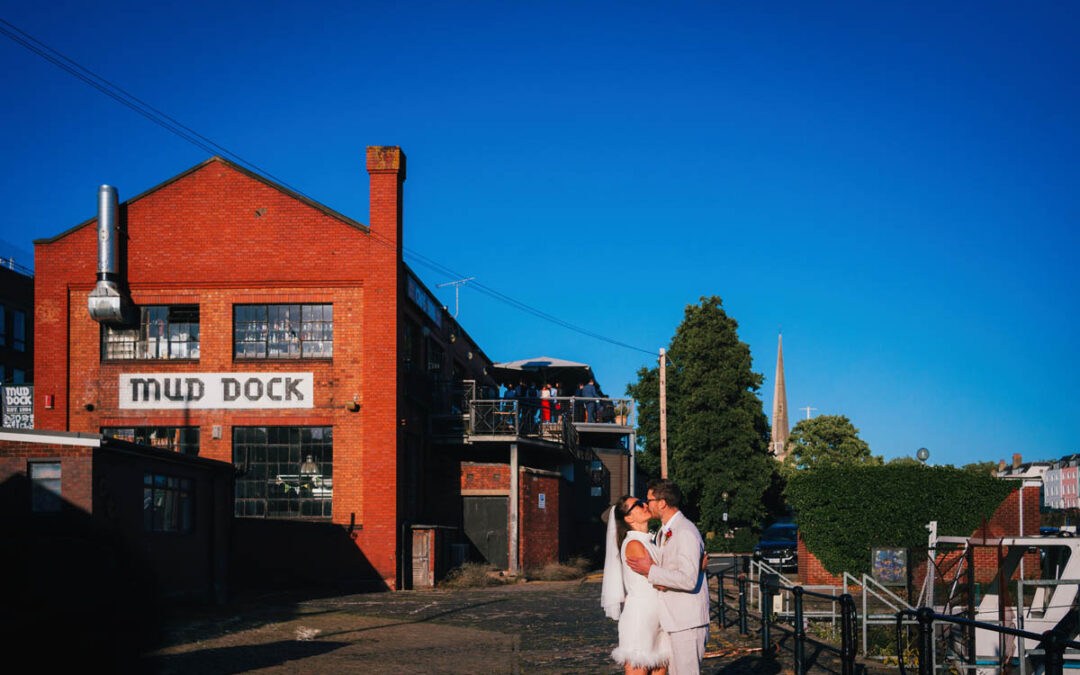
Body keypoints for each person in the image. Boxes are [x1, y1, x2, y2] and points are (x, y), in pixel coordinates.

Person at [627, 480, 710, 675]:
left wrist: (651, 571)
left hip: (687, 623)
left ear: (662, 502)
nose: (646, 505)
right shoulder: (664, 533)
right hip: (674, 620)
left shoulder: (685, 531)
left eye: (649, 500)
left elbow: (688, 580)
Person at [602, 495, 671, 675]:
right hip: (640, 616)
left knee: (660, 667)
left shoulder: (650, 541)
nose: (645, 505)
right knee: (637, 668)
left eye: (643, 502)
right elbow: (661, 581)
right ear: (628, 518)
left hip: (659, 614)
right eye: (638, 505)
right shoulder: (633, 544)